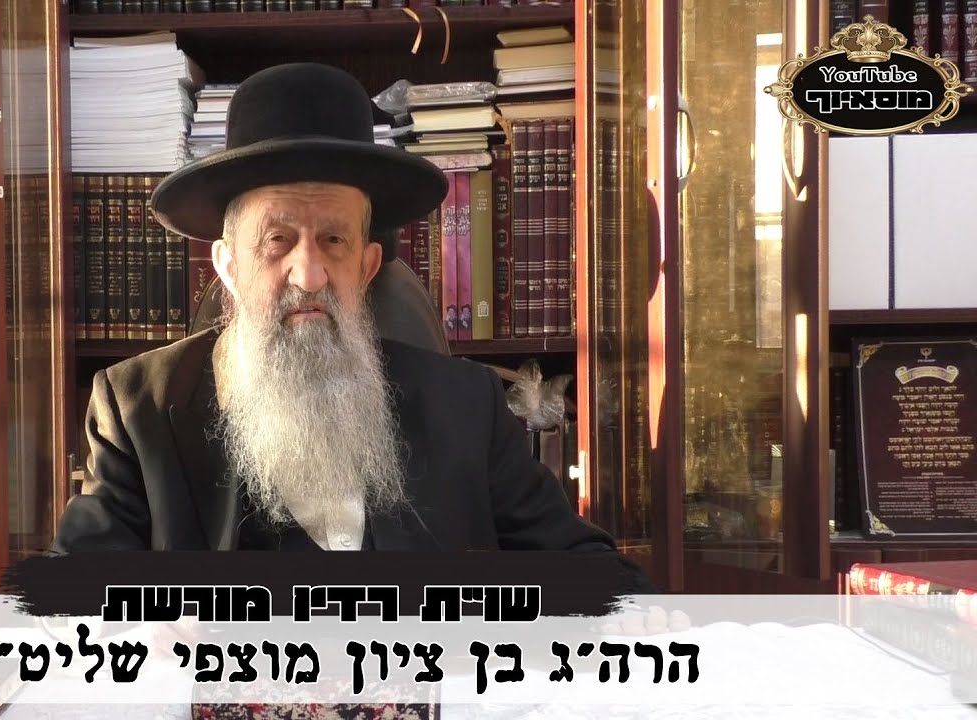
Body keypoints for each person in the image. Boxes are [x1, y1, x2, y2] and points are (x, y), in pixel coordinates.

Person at [50, 63, 656, 595]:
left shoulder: (468, 407)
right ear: (229, 266)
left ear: (366, 268)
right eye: (277, 239)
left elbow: (586, 567)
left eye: (334, 240)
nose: (309, 274)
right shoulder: (137, 408)